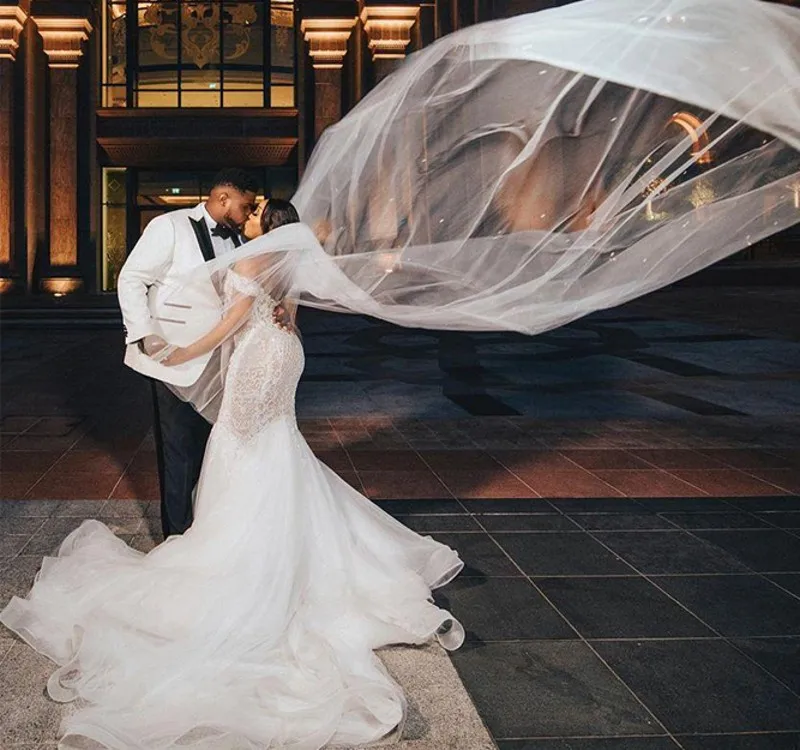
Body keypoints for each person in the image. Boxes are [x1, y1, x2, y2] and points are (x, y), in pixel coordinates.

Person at [0, 198, 464, 750]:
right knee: (274, 440)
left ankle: (241, 547)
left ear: (263, 224)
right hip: (286, 351)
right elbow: (283, 309)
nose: (247, 213)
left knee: (239, 439)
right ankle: (276, 537)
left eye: (256, 210)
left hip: (255, 355)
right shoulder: (283, 259)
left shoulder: (250, 260)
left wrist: (180, 352)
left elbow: (229, 323)